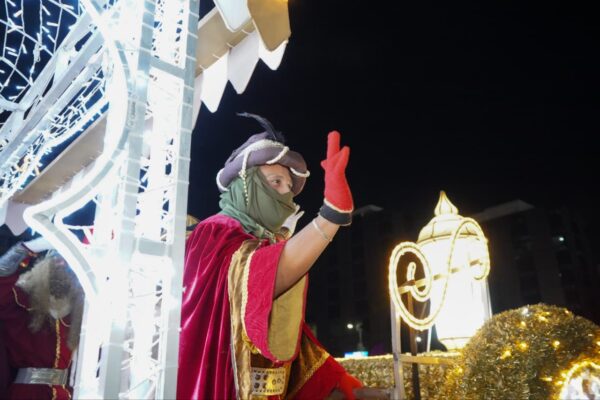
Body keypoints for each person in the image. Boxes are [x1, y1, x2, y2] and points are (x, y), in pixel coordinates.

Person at [178, 113, 363, 399]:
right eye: (276, 182)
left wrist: (334, 378)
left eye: (289, 189)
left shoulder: (260, 241)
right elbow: (254, 275)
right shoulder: (214, 233)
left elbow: (286, 330)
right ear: (246, 184)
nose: (285, 197)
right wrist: (330, 217)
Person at [0, 240, 84, 400]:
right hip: (27, 394)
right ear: (42, 266)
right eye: (55, 259)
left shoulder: (80, 311)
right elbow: (1, 275)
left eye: (68, 262)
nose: (61, 263)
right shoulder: (21, 299)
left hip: (65, 394)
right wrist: (26, 248)